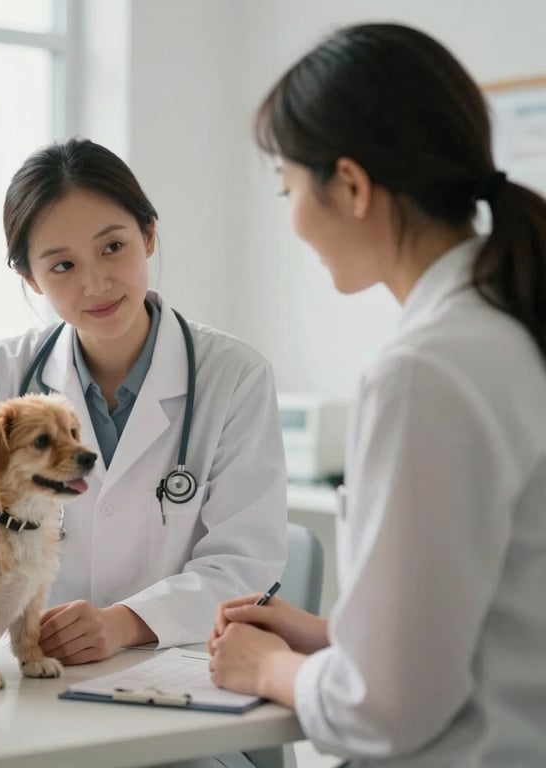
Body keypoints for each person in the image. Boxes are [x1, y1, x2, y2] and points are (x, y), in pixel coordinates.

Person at [208, 22, 546, 768]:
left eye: (288, 186)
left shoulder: (427, 370)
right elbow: (506, 623)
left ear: (352, 187)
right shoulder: (511, 328)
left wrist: (265, 668)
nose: (292, 217)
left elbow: (386, 710)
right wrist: (334, 638)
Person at [0, 137, 288, 667]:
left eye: (113, 247)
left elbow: (246, 565)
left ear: (149, 235)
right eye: (62, 266)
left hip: (172, 677)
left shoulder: (235, 378)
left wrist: (125, 623)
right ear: (29, 278)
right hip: (31, 682)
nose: (96, 283)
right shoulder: (3, 373)